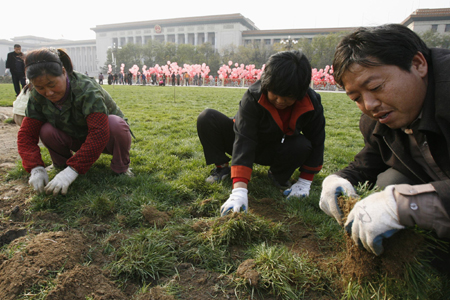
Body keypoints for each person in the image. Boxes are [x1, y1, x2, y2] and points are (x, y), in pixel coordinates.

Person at [319, 24, 450, 259]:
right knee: (389, 181)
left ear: (418, 64)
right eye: (356, 97)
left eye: (376, 87)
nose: (369, 105)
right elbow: (368, 161)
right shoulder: (378, 122)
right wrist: (337, 179)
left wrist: (408, 204)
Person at [197, 50, 325, 216]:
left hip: (276, 149)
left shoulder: (312, 102)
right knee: (207, 117)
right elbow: (244, 138)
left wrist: (305, 182)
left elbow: (317, 140)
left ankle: (277, 174)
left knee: (303, 144)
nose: (280, 101)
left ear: (300, 93)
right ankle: (222, 169)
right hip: (243, 143)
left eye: (287, 98)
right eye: (275, 95)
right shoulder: (253, 96)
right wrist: (239, 190)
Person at [18, 48, 132, 196]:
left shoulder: (87, 89)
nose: (48, 92)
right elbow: (27, 134)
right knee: (46, 129)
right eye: (40, 87)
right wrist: (35, 167)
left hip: (107, 138)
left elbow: (99, 133)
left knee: (115, 124)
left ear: (64, 73)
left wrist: (73, 171)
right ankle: (61, 164)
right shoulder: (36, 96)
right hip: (74, 137)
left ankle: (120, 167)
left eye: (52, 85)